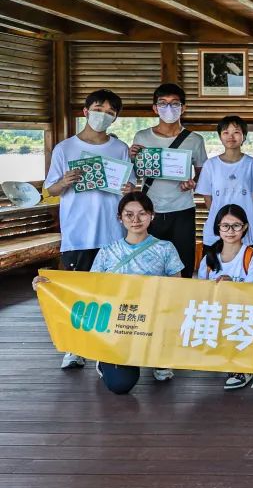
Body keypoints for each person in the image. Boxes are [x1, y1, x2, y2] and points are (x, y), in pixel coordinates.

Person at [34, 192, 184, 394]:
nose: (136, 220)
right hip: (119, 327)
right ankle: (104, 359)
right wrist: (50, 285)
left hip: (154, 324)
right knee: (120, 385)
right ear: (119, 218)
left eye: (142, 213)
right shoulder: (107, 251)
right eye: (129, 214)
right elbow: (89, 288)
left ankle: (159, 358)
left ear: (152, 216)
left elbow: (178, 290)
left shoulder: (166, 249)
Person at [44, 88, 135, 370]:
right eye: (98, 109)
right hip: (78, 234)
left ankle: (107, 347)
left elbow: (130, 185)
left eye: (110, 112)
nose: (103, 115)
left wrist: (129, 188)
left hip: (113, 233)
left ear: (115, 118)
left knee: (111, 292)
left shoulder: (119, 148)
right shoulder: (64, 148)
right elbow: (50, 190)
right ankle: (75, 348)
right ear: (85, 111)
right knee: (78, 292)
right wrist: (64, 181)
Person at [131, 83, 208, 277]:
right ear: (155, 108)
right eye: (163, 103)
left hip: (183, 209)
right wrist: (132, 158)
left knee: (183, 263)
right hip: (150, 210)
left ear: (183, 107)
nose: (169, 108)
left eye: (174, 103)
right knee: (148, 264)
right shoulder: (142, 137)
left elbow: (203, 174)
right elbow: (135, 174)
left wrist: (193, 183)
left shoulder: (195, 139)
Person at [196, 205, 253, 391]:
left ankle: (242, 368)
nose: (230, 231)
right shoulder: (209, 259)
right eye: (225, 226)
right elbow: (200, 294)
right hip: (216, 315)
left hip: (243, 317)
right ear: (218, 228)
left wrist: (233, 287)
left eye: (236, 226)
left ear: (245, 227)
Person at [195, 115, 253, 250]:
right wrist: (223, 218)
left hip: (246, 225)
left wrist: (244, 217)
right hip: (219, 226)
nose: (230, 137)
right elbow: (208, 198)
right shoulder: (210, 165)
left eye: (236, 132)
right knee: (215, 261)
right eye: (226, 132)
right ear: (220, 136)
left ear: (244, 136)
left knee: (247, 261)